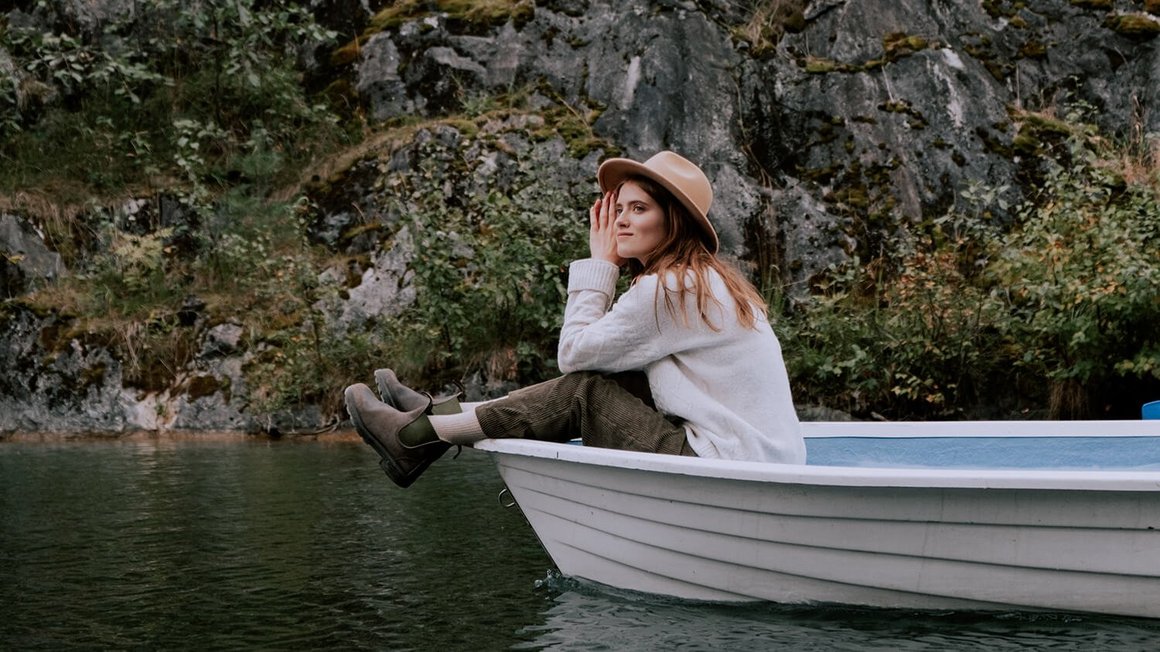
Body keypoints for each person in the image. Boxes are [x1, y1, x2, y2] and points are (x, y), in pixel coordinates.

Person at [344, 150, 805, 488]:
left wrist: (600, 265)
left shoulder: (673, 288)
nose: (620, 221)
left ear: (674, 223)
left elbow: (573, 356)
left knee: (586, 391)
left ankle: (418, 434)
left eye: (638, 209)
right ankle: (437, 418)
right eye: (618, 209)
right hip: (755, 461)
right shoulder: (699, 281)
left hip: (728, 463)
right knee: (621, 379)